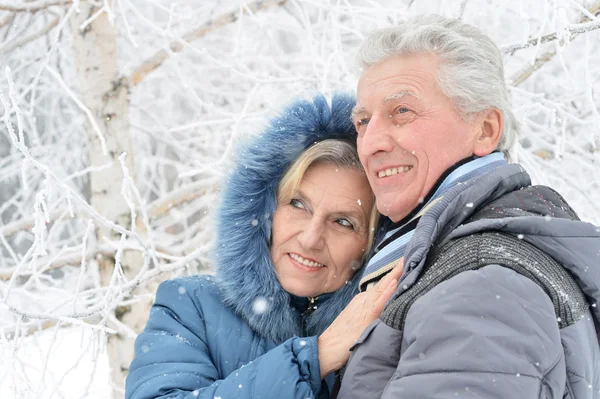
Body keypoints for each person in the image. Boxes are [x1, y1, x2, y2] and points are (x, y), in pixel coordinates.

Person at [334, 15, 600, 398]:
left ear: (486, 130)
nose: (370, 142)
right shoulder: (472, 260)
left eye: (402, 111)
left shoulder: (480, 284)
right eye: (362, 120)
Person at [125, 93, 402, 399]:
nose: (310, 238)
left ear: (371, 245)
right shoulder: (191, 307)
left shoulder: (388, 329)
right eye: (298, 204)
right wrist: (314, 358)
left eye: (344, 223)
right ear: (266, 210)